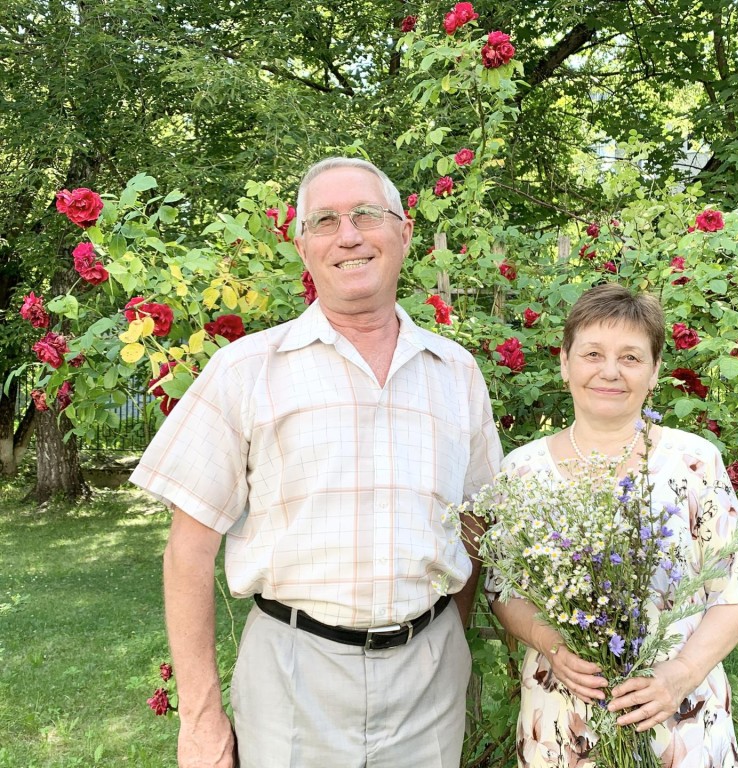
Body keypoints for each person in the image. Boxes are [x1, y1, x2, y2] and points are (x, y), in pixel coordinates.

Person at [131, 157, 502, 768]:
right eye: (325, 221)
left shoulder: (456, 373)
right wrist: (199, 718)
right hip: (292, 674)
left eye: (366, 215)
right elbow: (188, 552)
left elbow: (477, 528)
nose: (348, 235)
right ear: (302, 245)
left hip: (430, 677)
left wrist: (447, 640)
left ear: (404, 232)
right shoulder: (247, 370)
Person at [488, 283, 738, 768]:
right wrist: (552, 645)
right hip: (562, 723)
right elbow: (503, 591)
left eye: (631, 357)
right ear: (565, 362)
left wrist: (678, 676)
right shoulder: (522, 471)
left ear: (655, 370)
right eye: (592, 353)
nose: (609, 371)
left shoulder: (695, 463)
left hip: (678, 719)